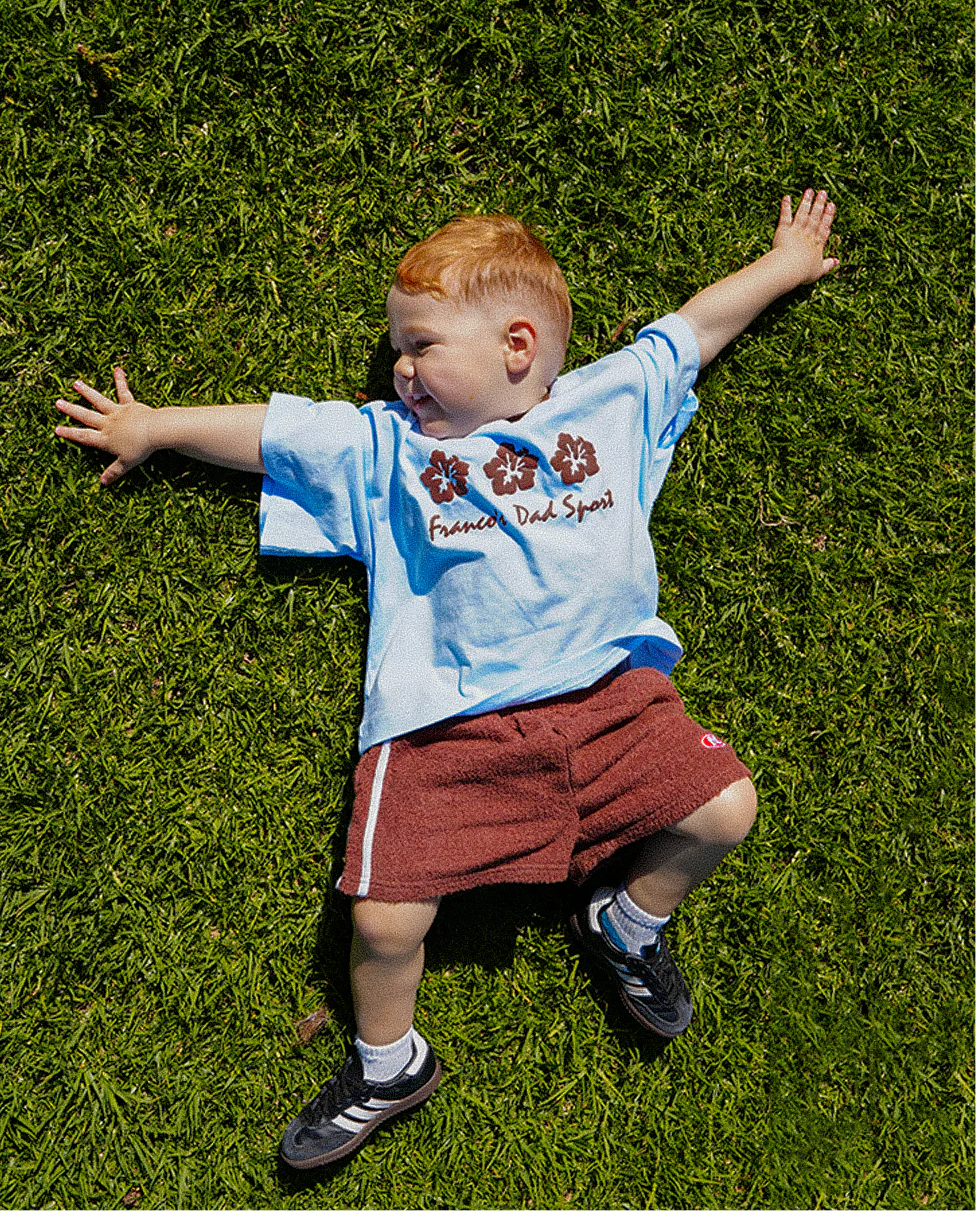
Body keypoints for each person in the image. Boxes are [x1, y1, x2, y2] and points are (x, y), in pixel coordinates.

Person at [55, 189, 838, 1170]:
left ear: (518, 345)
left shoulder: (609, 401)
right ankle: (388, 1062)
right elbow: (279, 434)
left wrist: (784, 265)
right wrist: (156, 427)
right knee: (383, 919)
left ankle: (627, 919)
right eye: (398, 347)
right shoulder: (389, 448)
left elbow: (692, 329)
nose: (400, 367)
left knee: (725, 810)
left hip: (610, 700)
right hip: (443, 727)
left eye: (420, 344)